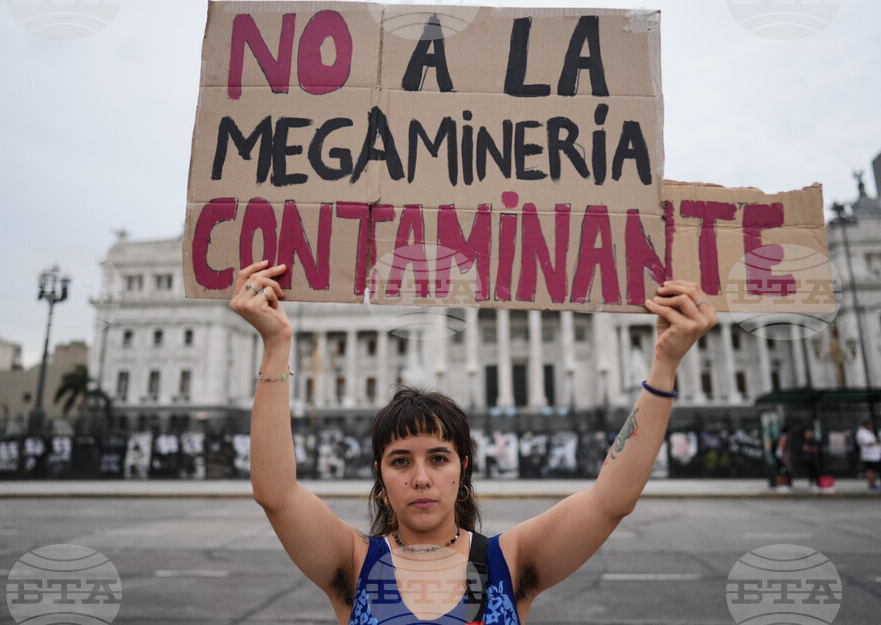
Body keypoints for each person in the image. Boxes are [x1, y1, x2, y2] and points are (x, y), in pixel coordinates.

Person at [231, 261, 716, 624]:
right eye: (401, 461)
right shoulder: (355, 564)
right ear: (379, 474)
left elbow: (612, 499)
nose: (421, 477)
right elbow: (277, 494)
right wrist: (275, 348)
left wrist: (665, 365)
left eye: (438, 458)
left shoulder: (511, 562)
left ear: (463, 467)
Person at [856, 420, 881, 492]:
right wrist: (877, 442)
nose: (871, 427)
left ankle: (873, 484)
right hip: (868, 456)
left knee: (872, 470)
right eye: (870, 425)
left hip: (873, 456)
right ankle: (872, 485)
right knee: (870, 470)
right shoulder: (862, 432)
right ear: (866, 425)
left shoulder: (868, 432)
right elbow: (868, 443)